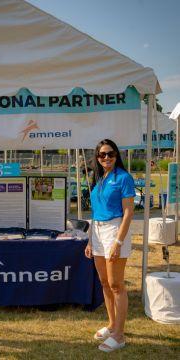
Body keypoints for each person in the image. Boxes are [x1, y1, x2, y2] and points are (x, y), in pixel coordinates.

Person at [85, 139, 135, 353]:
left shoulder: (124, 177)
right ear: (97, 157)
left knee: (116, 284)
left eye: (110, 154)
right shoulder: (99, 179)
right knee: (104, 282)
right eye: (102, 155)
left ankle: (120, 336)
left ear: (117, 155)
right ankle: (112, 324)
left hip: (115, 230)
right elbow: (95, 213)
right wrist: (89, 240)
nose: (106, 158)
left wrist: (118, 241)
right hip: (97, 231)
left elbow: (129, 212)